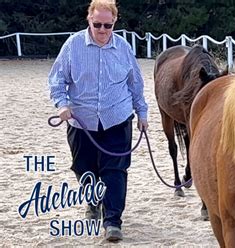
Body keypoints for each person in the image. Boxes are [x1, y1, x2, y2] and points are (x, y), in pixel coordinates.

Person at [47, 0, 148, 242]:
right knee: (84, 168)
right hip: (81, 122)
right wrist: (62, 105)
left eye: (108, 25)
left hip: (117, 118)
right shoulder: (73, 46)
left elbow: (135, 84)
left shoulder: (123, 48)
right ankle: (93, 202)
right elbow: (56, 80)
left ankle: (113, 220)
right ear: (88, 20)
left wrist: (142, 114)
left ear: (114, 23)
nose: (102, 30)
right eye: (97, 24)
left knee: (115, 170)